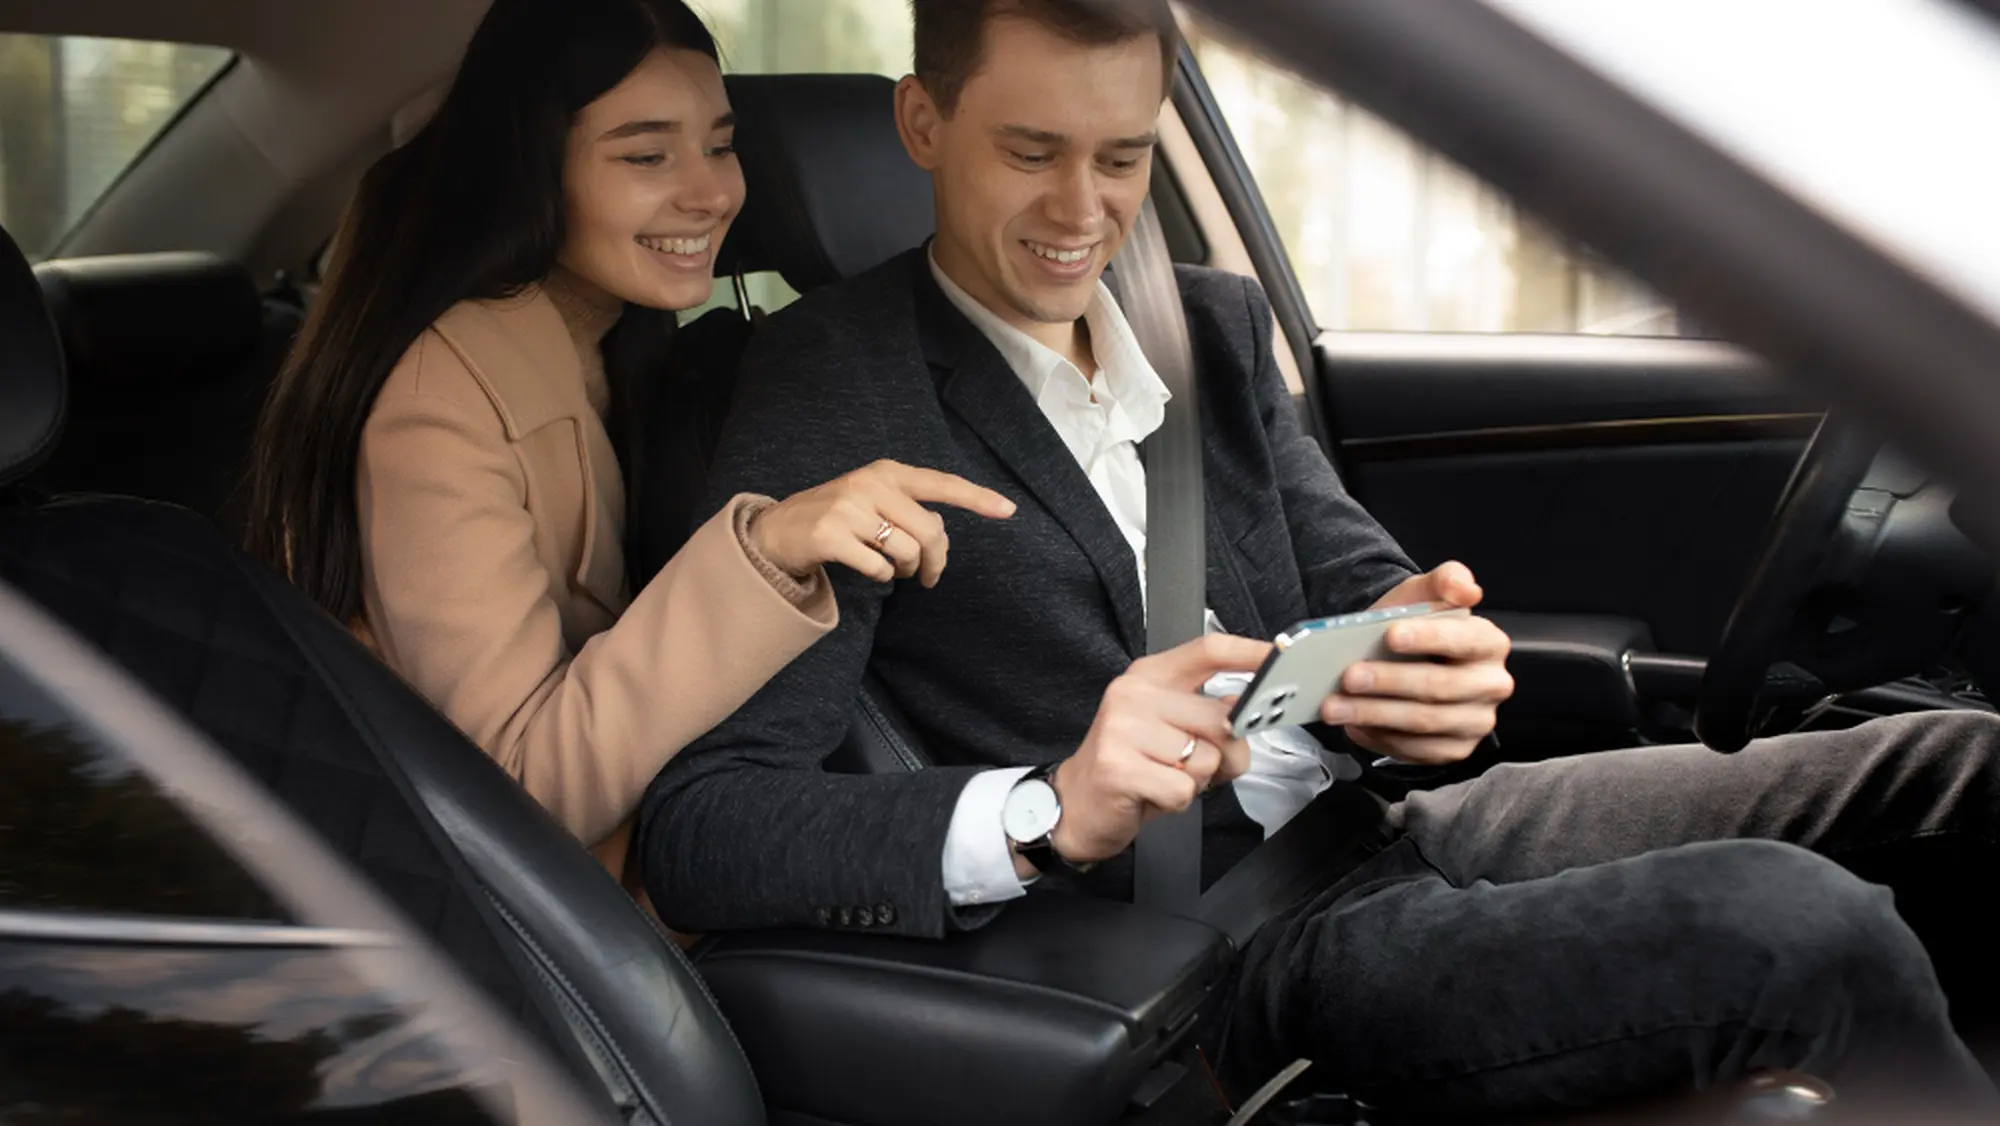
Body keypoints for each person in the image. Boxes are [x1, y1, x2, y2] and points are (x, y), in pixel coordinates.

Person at [636, 0, 2000, 1115]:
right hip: (1223, 949)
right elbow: (706, 829)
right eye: (1031, 151)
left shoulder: (1206, 327)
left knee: (1961, 761)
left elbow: (1360, 584)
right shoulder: (831, 386)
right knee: (1798, 924)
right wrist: (1051, 807)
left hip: (1388, 823)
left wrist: (1425, 658)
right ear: (922, 124)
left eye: (1122, 158)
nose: (1082, 209)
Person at [240, 0, 1013, 896]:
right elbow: (519, 793)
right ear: (531, 169)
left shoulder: (645, 349)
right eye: (646, 157)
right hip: (512, 927)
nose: (711, 194)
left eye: (721, 146)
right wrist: (762, 551)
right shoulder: (439, 401)